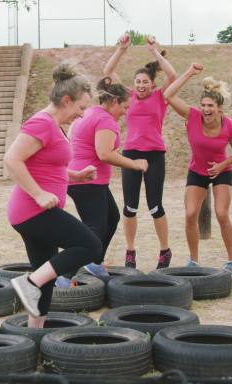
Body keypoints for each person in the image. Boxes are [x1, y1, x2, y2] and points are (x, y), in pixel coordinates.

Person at [4, 63, 103, 326]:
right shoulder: (42, 123)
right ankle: (29, 282)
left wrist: (77, 176)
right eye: (81, 108)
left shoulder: (54, 126)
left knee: (45, 277)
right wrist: (38, 194)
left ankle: (33, 337)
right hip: (33, 210)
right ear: (66, 101)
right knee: (90, 245)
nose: (82, 116)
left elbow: (49, 166)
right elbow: (12, 159)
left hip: (37, 211)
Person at [54, 77, 149, 287]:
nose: (125, 112)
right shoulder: (106, 120)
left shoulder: (90, 113)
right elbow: (104, 153)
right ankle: (63, 275)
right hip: (87, 181)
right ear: (114, 102)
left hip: (86, 179)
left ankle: (94, 263)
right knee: (93, 231)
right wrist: (134, 164)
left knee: (112, 218)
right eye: (124, 107)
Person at [103, 33, 177, 269]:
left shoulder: (160, 96)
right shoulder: (127, 96)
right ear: (133, 84)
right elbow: (108, 71)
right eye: (138, 82)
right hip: (131, 154)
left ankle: (165, 251)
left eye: (145, 82)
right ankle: (130, 252)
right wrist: (121, 49)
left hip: (155, 155)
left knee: (156, 206)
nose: (141, 85)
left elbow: (173, 75)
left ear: (152, 84)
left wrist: (155, 51)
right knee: (129, 207)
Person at [163, 63, 232, 274]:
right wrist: (189, 72)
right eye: (204, 105)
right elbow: (168, 95)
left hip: (222, 172)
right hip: (197, 171)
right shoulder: (192, 116)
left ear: (219, 108)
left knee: (221, 214)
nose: (206, 110)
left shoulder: (229, 125)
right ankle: (193, 261)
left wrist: (222, 165)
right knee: (190, 214)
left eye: (210, 106)